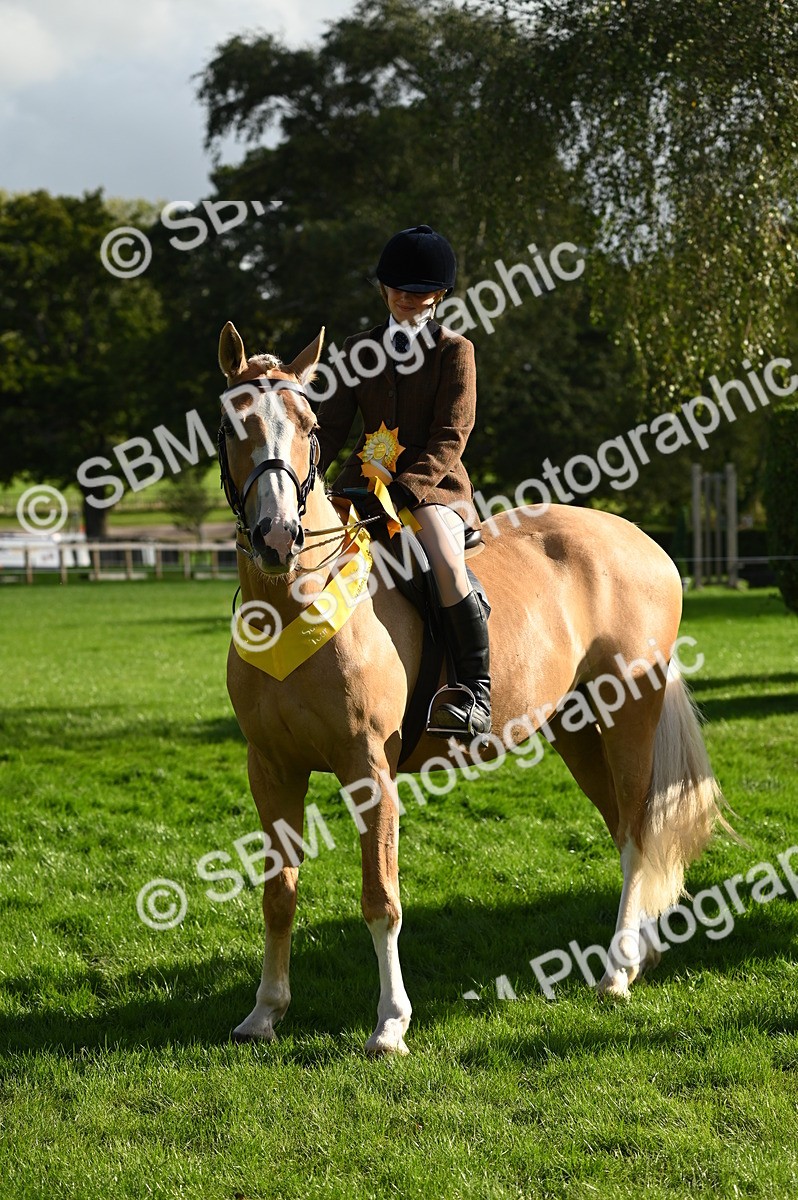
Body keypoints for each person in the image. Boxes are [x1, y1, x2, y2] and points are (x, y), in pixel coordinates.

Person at [315, 223, 491, 739]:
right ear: (384, 288)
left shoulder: (455, 351)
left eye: (418, 294)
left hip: (433, 488)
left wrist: (405, 490)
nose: (406, 300)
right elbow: (329, 426)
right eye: (398, 290)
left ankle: (475, 691)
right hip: (361, 481)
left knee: (441, 554)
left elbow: (452, 434)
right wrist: (307, 480)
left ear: (438, 295)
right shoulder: (356, 348)